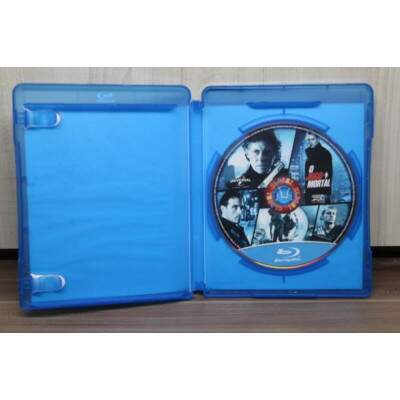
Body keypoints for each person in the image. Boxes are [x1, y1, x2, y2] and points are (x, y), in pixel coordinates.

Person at [304, 133, 332, 204]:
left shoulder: (324, 153)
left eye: (312, 139)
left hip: (320, 191)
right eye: (309, 140)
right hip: (310, 191)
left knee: (317, 207)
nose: (310, 142)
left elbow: (328, 174)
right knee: (311, 206)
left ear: (318, 139)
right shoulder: (309, 154)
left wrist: (325, 194)